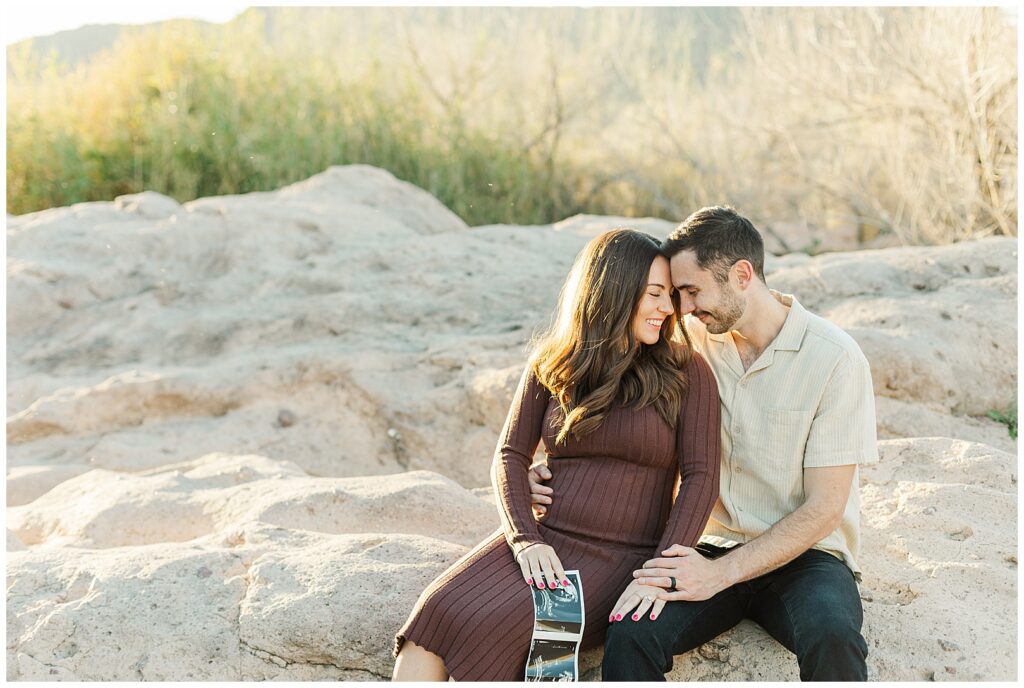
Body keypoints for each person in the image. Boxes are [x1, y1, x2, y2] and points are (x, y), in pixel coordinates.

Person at [529, 206, 879, 681]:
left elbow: (825, 509)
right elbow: (604, 403)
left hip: (807, 558)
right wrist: (553, 469)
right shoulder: (689, 344)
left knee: (833, 634)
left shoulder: (836, 359)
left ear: (741, 275)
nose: (683, 308)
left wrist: (721, 575)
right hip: (702, 547)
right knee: (631, 632)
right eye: (678, 294)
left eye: (692, 291)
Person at [392, 229, 722, 681]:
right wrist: (525, 540)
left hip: (623, 557)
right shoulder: (555, 361)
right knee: (434, 616)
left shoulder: (685, 369)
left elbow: (702, 476)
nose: (669, 309)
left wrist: (660, 572)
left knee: (530, 635)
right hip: (545, 540)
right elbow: (509, 454)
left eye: (670, 296)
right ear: (613, 292)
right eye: (655, 295)